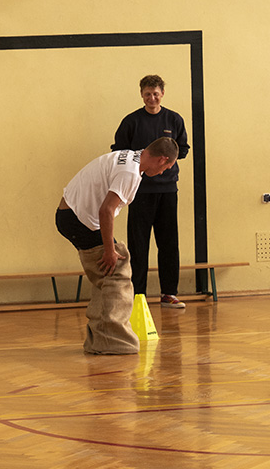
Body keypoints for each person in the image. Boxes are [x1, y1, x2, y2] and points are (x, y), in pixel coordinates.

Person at [56, 137, 179, 355]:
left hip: (72, 215)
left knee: (106, 272)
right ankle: (113, 341)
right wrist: (109, 250)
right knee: (117, 270)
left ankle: (99, 340)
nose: (163, 172)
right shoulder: (129, 172)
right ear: (162, 159)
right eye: (167, 168)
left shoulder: (130, 157)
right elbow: (106, 210)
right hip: (77, 219)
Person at [112, 75, 190, 308]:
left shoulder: (174, 119)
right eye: (148, 94)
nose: (152, 98)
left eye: (156, 93)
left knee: (169, 242)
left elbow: (183, 149)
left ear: (162, 94)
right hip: (139, 190)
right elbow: (119, 152)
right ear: (142, 95)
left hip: (168, 190)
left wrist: (165, 162)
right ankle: (138, 295)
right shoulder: (131, 121)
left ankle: (169, 293)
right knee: (138, 244)